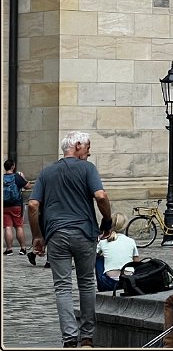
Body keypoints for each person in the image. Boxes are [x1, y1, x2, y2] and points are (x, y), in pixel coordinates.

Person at [27, 130, 112, 349]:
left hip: (56, 234)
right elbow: (101, 196)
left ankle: (69, 338)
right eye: (88, 148)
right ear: (77, 145)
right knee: (86, 283)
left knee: (62, 287)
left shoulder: (47, 172)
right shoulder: (87, 169)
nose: (89, 153)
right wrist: (107, 220)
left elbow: (33, 204)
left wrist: (37, 236)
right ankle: (87, 338)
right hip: (84, 232)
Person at [95, 213, 141, 292]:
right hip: (128, 281)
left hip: (109, 283)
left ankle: (101, 285)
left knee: (98, 258)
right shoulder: (131, 241)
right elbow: (137, 263)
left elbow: (92, 256)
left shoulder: (103, 241)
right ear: (125, 226)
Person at [3, 158, 29, 255]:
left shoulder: (2, 178)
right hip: (16, 205)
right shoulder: (17, 177)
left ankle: (9, 249)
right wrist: (23, 177)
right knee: (19, 226)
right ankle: (23, 248)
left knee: (8, 227)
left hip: (4, 206)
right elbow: (28, 186)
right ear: (13, 166)